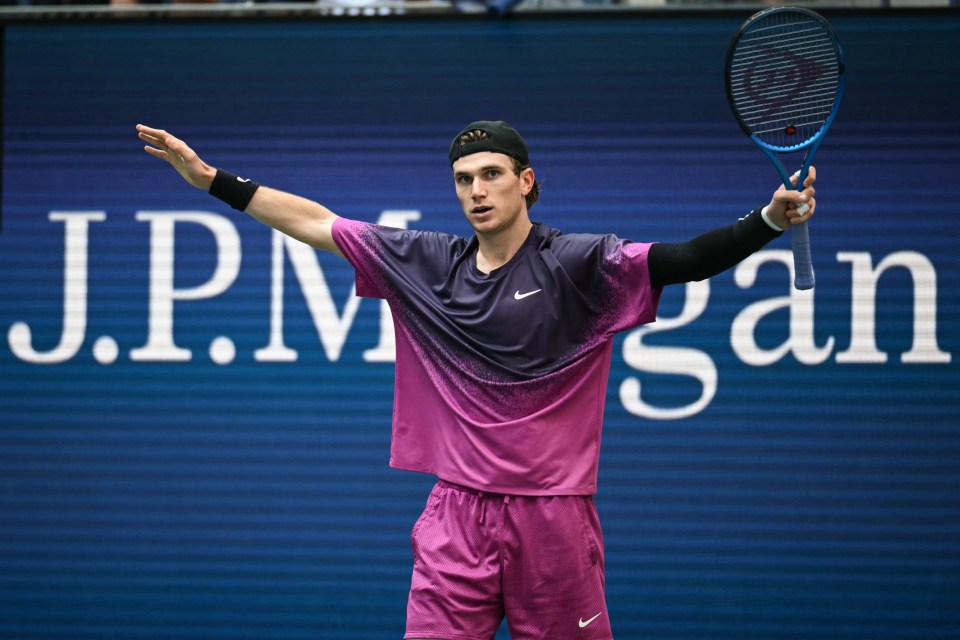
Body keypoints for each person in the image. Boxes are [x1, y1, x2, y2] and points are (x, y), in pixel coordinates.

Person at [136, 120, 816, 640]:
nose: (476, 191)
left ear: (525, 181)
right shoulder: (426, 263)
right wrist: (211, 180)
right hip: (455, 515)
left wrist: (765, 223)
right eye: (463, 179)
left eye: (491, 174)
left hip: (551, 516)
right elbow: (315, 221)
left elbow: (685, 260)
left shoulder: (579, 264)